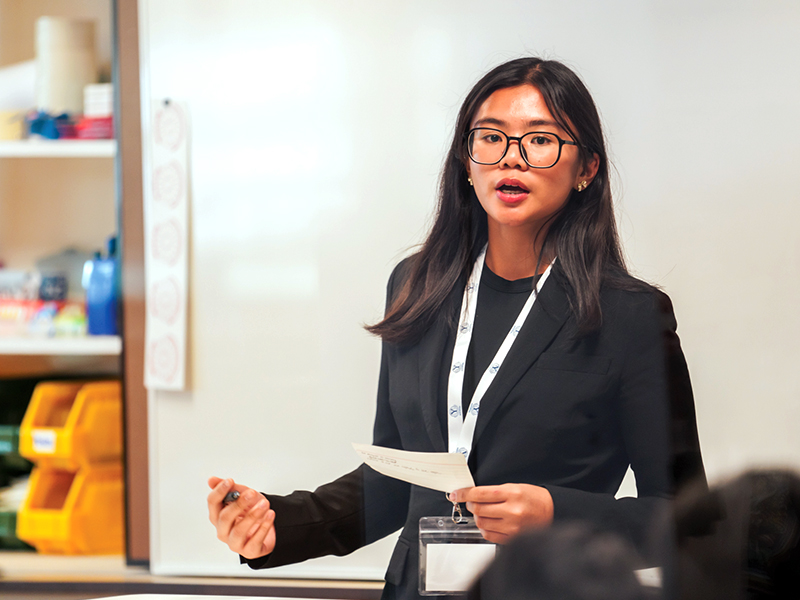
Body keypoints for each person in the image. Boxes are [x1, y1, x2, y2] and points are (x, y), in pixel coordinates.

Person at [207, 57, 705, 599]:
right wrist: (278, 525)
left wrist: (556, 512)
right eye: (490, 138)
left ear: (586, 168)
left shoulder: (630, 316)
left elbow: (688, 522)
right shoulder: (417, 285)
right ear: (466, 163)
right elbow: (397, 481)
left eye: (540, 140)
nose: (510, 159)